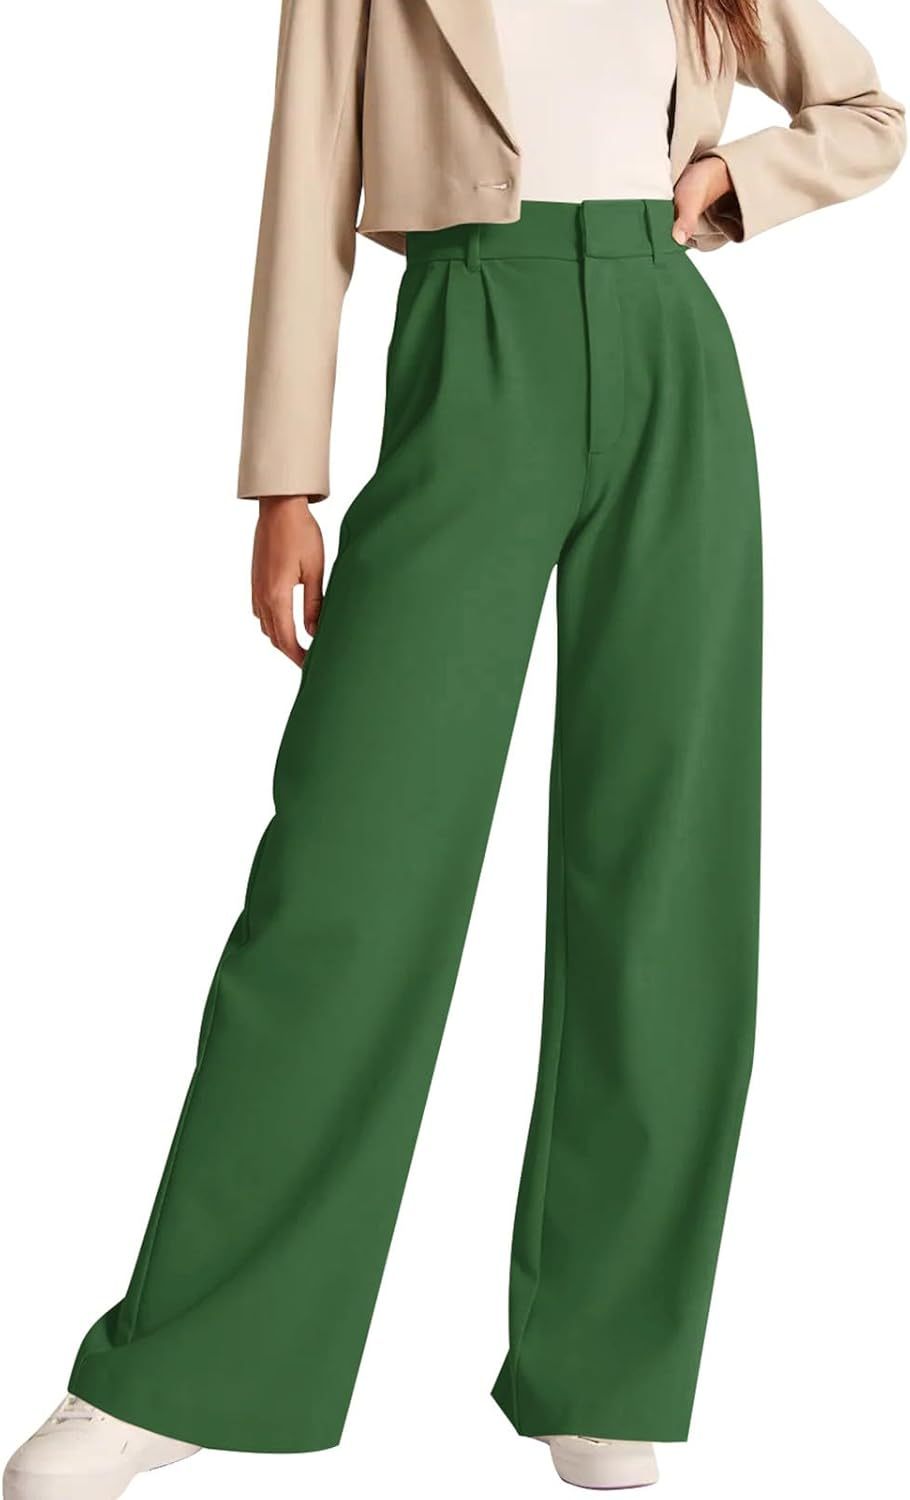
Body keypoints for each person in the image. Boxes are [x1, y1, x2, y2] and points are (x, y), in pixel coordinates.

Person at [4, 1, 904, 1496]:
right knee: (348, 876)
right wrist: (285, 480)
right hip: (469, 338)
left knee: (663, 872)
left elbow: (868, 115)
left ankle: (606, 1366)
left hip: (667, 349)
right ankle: (186, 1366)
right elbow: (307, 182)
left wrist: (739, 181)